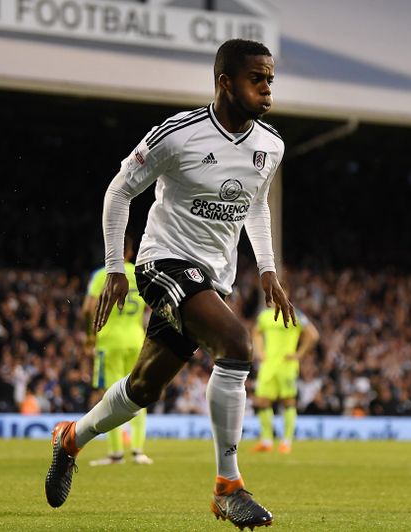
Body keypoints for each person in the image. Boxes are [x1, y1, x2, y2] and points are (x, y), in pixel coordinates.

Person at [45, 39, 295, 531]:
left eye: (270, 78)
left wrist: (268, 267)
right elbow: (120, 189)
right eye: (257, 78)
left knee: (144, 387)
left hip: (213, 277)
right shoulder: (178, 134)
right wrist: (115, 266)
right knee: (237, 343)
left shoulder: (271, 146)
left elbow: (257, 206)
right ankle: (228, 487)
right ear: (225, 82)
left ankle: (70, 437)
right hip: (164, 263)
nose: (267, 88)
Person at [81, 236, 153, 466]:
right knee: (138, 392)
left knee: (111, 395)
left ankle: (115, 453)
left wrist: (90, 335)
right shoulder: (140, 274)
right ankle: (138, 450)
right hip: (135, 339)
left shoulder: (102, 275)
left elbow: (86, 309)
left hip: (109, 342)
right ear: (131, 252)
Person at [251, 307, 319, 454]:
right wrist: (259, 351)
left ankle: (286, 441)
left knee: (288, 401)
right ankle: (267, 440)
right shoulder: (264, 315)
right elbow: (255, 332)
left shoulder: (295, 314)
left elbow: (312, 334)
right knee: (262, 401)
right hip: (268, 365)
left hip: (287, 366)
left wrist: (299, 354)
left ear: (286, 293)